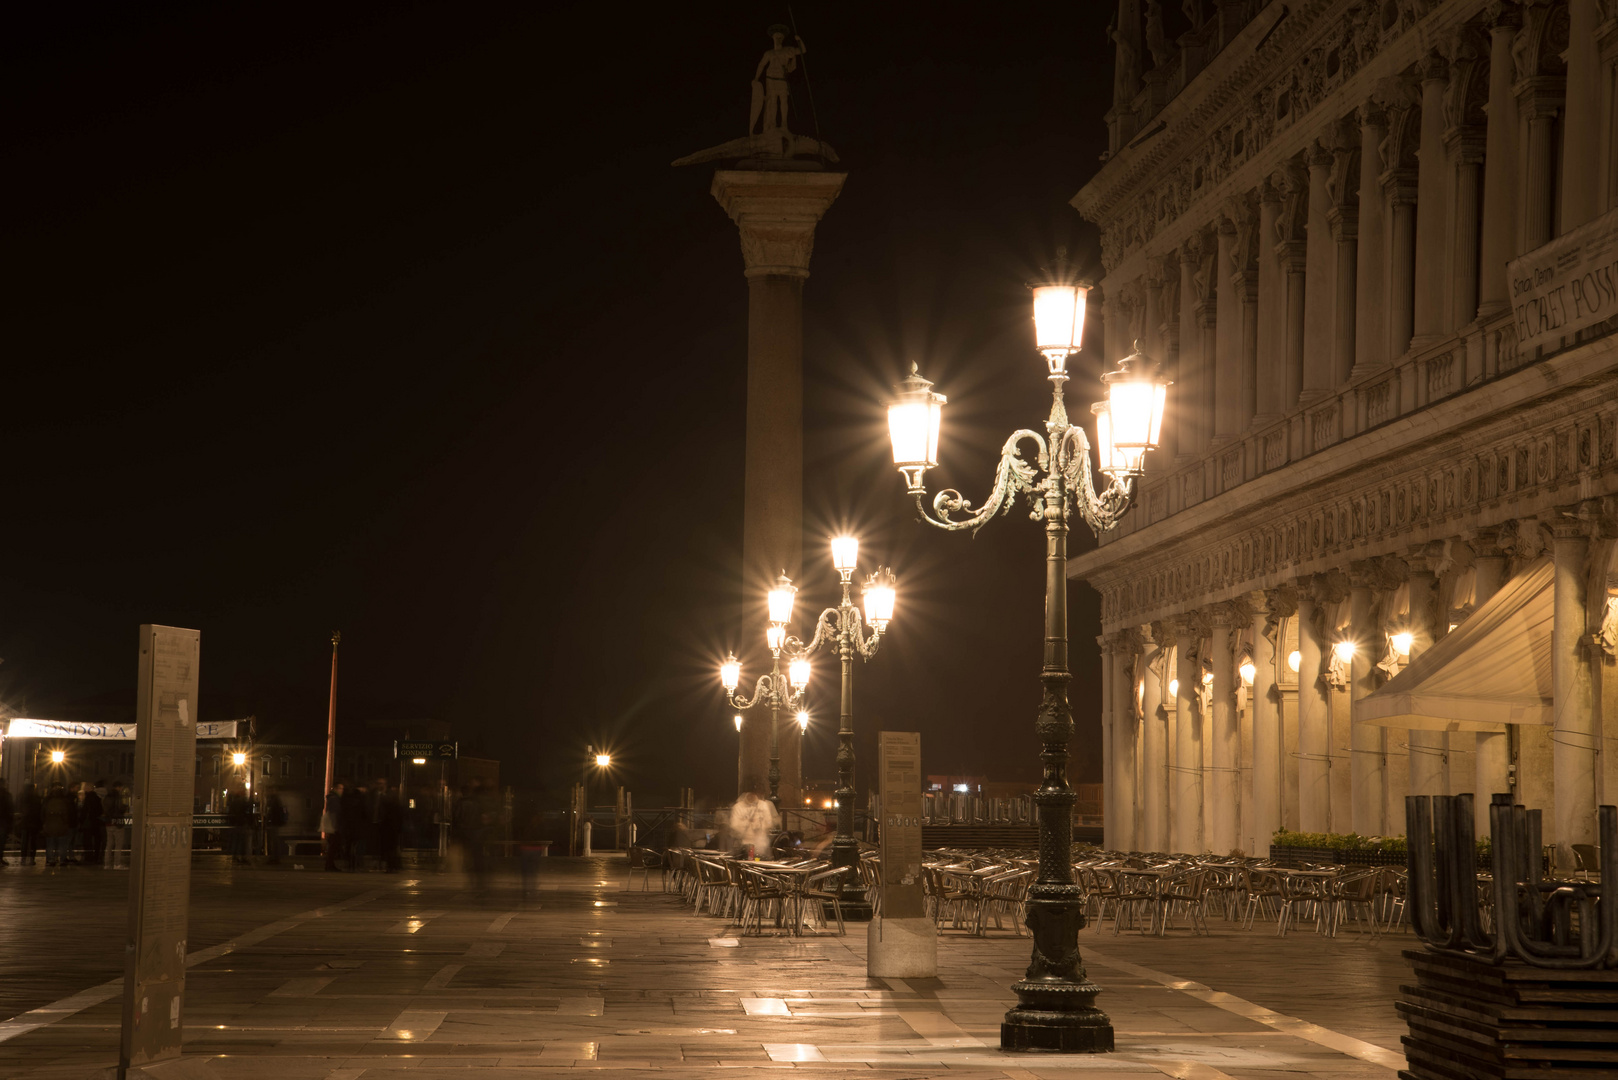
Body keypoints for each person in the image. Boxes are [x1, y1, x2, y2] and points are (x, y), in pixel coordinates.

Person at [728, 790, 779, 859]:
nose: (751, 796)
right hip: (744, 844)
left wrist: (759, 825)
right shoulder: (738, 807)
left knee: (760, 861)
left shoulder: (763, 805)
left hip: (761, 844)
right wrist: (747, 823)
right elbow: (734, 824)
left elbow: (769, 822)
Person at [373, 778, 402, 873]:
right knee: (382, 846)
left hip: (388, 826)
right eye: (379, 783)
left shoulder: (390, 798)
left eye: (382, 783)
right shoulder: (374, 795)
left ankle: (389, 865)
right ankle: (386, 864)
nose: (381, 785)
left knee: (388, 847)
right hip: (379, 824)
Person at [42, 783, 73, 866]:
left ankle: (50, 860)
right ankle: (62, 859)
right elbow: (69, 813)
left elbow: (42, 813)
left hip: (49, 824)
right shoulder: (65, 801)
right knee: (62, 844)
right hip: (62, 824)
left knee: (50, 843)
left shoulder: (47, 800)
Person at [225, 784, 252, 864]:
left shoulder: (234, 801)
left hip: (236, 824)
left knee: (236, 841)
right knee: (243, 841)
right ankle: (242, 857)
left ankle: (235, 856)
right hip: (241, 823)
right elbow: (246, 811)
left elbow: (230, 812)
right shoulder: (242, 801)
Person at [82, 781, 106, 867]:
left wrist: (82, 820)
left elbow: (84, 811)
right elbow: (100, 810)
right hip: (96, 822)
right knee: (97, 840)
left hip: (89, 822)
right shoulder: (97, 798)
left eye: (85, 787)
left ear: (88, 788)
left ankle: (89, 857)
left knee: (88, 841)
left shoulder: (87, 798)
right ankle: (96, 857)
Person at [19, 782, 43, 865]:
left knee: (24, 841)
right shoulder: (36, 798)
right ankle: (32, 858)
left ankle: (23, 858)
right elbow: (39, 811)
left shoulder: (22, 797)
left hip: (25, 822)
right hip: (34, 823)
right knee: (33, 842)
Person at [321, 783, 343, 871]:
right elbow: (335, 813)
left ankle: (330, 864)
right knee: (333, 846)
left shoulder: (332, 798)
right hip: (335, 826)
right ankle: (329, 865)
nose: (342, 791)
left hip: (333, 826)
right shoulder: (335, 799)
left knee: (333, 846)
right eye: (341, 789)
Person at [263, 785, 287, 865]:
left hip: (274, 823)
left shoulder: (274, 800)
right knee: (274, 842)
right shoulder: (276, 799)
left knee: (273, 842)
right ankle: (274, 858)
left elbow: (272, 812)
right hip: (275, 823)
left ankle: (274, 858)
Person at [0, 778, 13, 866]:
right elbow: (10, 808)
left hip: (3, 820)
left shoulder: (6, 794)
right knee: (1, 841)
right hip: (3, 820)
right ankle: (0, 858)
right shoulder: (6, 794)